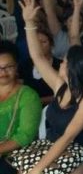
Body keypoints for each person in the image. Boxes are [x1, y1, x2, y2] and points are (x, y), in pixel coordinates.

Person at [21, 0, 83, 174]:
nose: (61, 64)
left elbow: (68, 137)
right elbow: (37, 57)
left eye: (65, 62)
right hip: (51, 148)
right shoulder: (60, 86)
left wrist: (36, 170)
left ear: (75, 69)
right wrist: (29, 23)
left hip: (81, 156)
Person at [0, 43, 42, 174]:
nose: (3, 72)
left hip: (12, 156)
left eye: (8, 67)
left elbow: (26, 135)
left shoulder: (28, 96)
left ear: (16, 67)